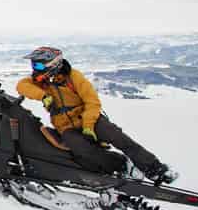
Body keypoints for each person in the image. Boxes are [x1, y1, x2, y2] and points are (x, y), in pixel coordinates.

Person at [16, 46, 178, 184]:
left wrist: (88, 126)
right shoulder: (41, 81)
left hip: (89, 118)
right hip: (66, 127)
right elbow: (21, 86)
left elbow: (92, 102)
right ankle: (120, 165)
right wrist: (43, 96)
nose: (34, 68)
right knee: (81, 149)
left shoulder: (74, 77)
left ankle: (155, 169)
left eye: (37, 65)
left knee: (118, 137)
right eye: (34, 64)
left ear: (52, 64)